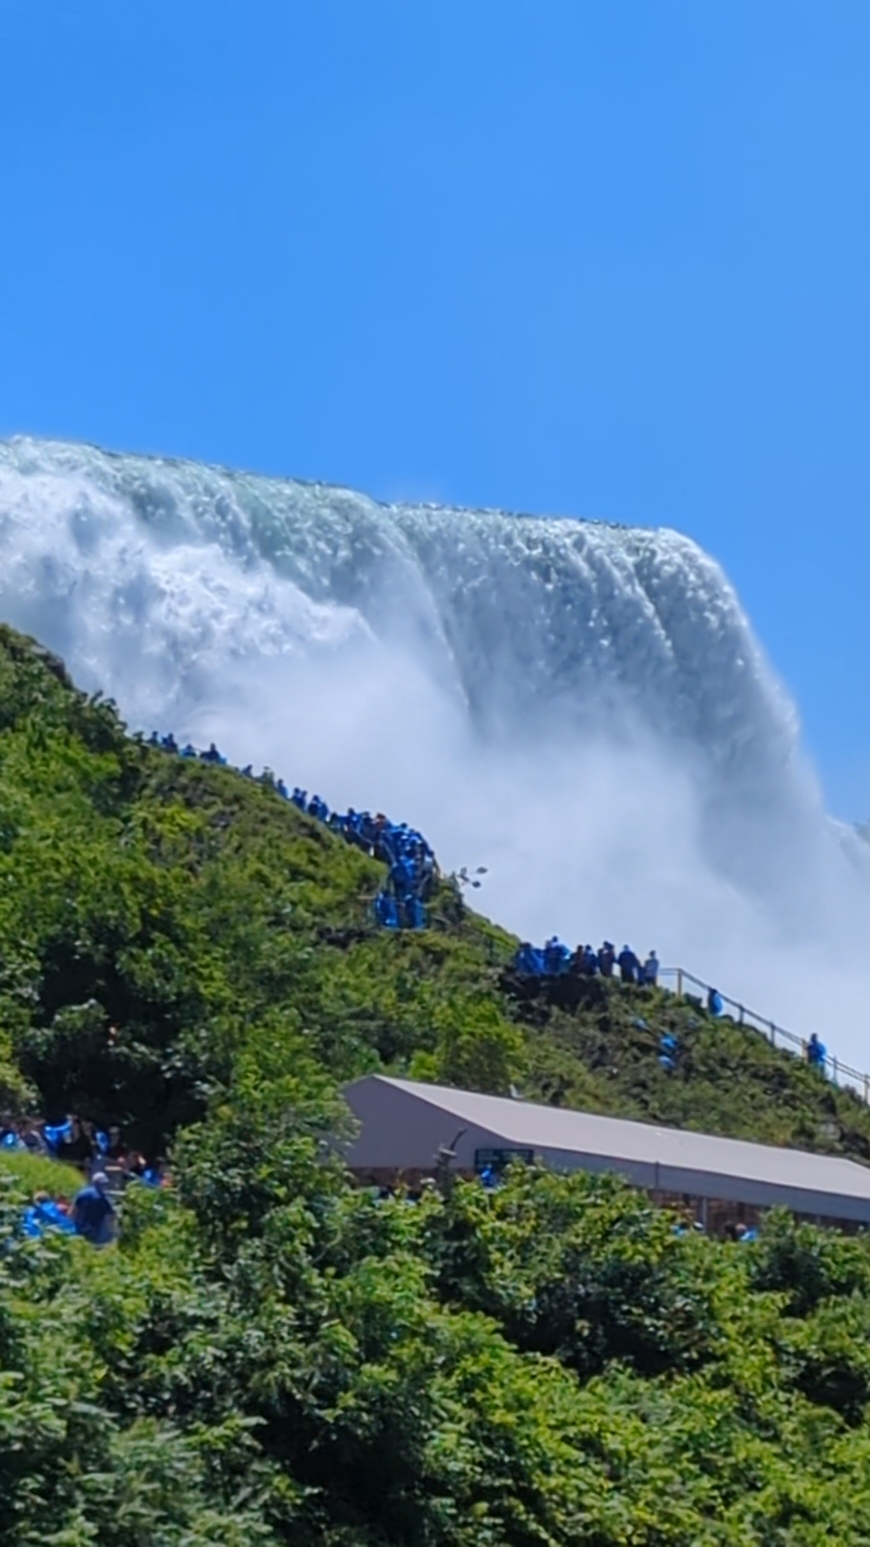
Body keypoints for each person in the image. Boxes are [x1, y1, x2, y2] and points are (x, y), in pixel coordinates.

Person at [72, 1172, 116, 1246]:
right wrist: (112, 1232)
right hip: (94, 1230)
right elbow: (110, 1217)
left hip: (79, 1227)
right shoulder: (103, 1198)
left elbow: (72, 1211)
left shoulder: (82, 1193)